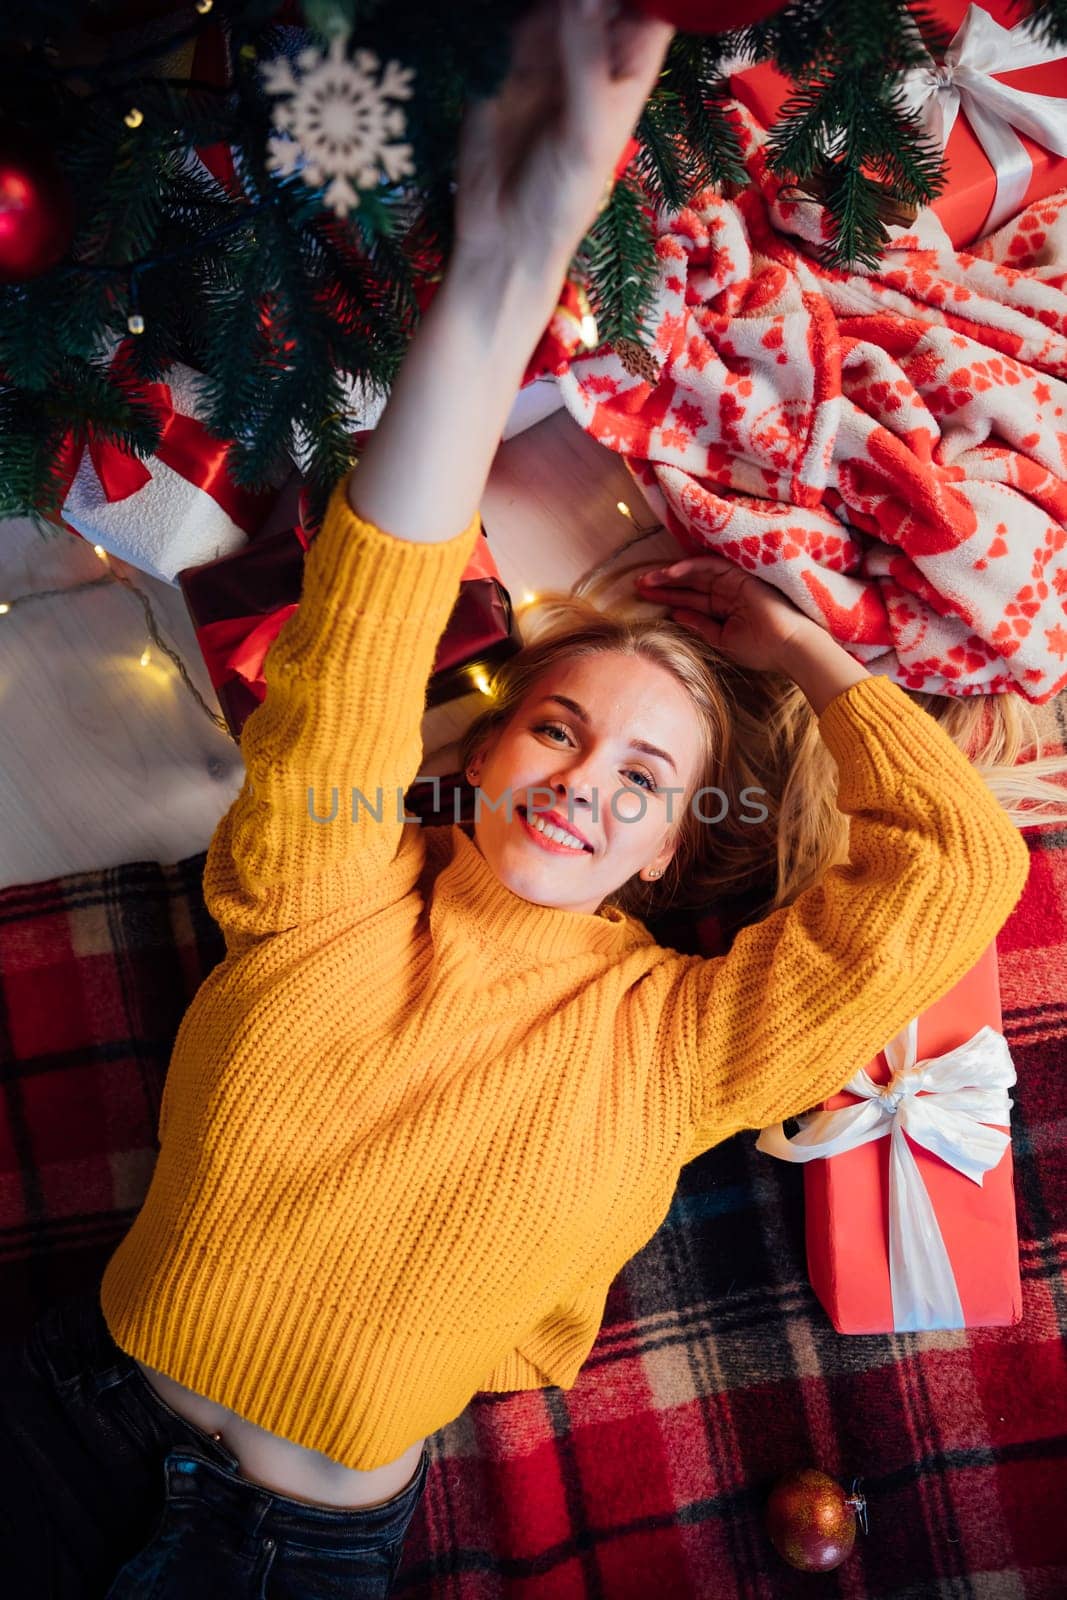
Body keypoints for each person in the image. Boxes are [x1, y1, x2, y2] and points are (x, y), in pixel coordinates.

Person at [0, 0, 1039, 1595]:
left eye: (644, 777)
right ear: (479, 751)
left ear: (682, 840)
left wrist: (808, 655)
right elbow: (372, 611)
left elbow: (956, 874)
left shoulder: (688, 1046)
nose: (581, 787)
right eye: (558, 730)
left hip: (298, 1557)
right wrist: (509, 256)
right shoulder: (329, 885)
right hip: (55, 1435)